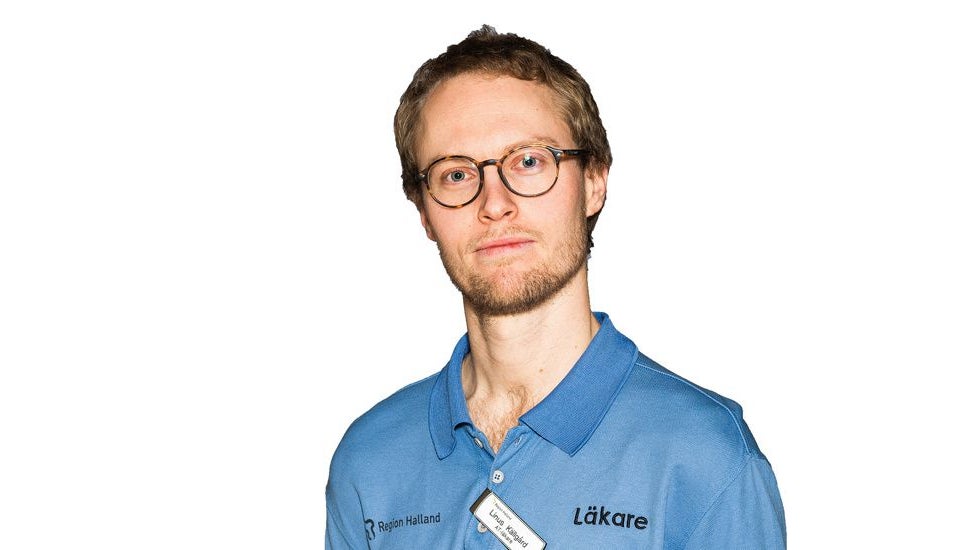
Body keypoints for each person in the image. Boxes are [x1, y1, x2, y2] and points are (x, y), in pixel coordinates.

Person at [325, 25, 786, 549]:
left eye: (529, 161)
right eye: (455, 174)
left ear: (594, 182)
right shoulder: (368, 460)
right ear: (424, 211)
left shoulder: (707, 458)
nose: (494, 203)